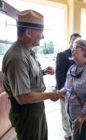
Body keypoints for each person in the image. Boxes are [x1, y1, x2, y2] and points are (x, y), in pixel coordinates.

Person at [2, 10, 61, 140]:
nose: (43, 36)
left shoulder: (27, 52)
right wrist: (50, 95)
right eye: (40, 32)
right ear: (28, 33)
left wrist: (43, 72)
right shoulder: (17, 57)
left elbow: (28, 75)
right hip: (26, 112)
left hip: (36, 106)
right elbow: (23, 97)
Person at [59, 38, 86, 140]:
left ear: (85, 50)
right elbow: (67, 87)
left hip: (82, 119)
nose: (72, 50)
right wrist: (60, 92)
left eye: (75, 47)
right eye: (72, 47)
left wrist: (81, 117)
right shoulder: (72, 68)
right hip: (71, 114)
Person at [55, 33, 81, 140]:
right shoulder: (62, 55)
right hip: (64, 91)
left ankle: (74, 132)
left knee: (73, 114)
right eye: (73, 41)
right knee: (65, 113)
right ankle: (68, 135)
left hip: (77, 93)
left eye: (78, 42)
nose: (75, 44)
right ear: (69, 42)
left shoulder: (81, 56)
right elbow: (59, 75)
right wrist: (62, 92)